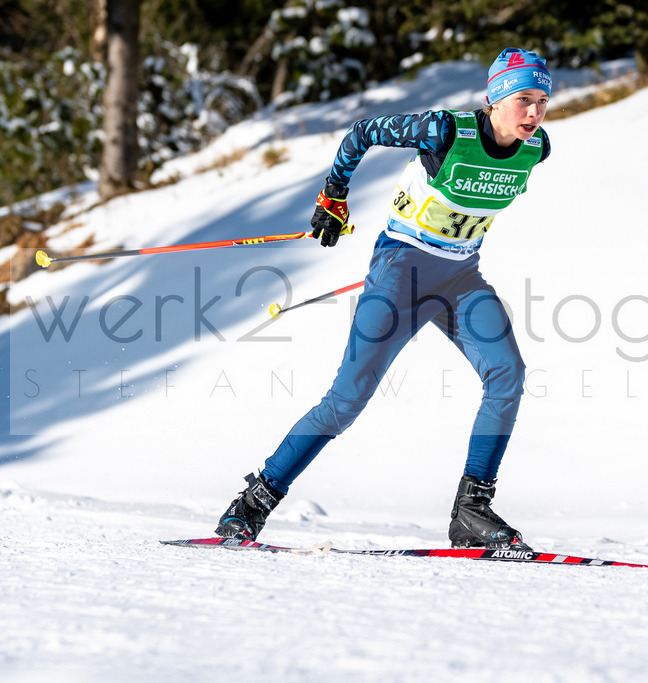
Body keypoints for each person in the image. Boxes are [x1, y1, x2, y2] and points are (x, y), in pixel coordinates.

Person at [214, 48, 552, 550]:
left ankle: (471, 511)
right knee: (346, 401)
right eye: (524, 99)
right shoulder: (444, 131)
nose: (534, 113)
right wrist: (333, 195)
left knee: (508, 374)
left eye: (543, 101)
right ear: (495, 98)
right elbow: (363, 133)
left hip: (461, 277)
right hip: (401, 272)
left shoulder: (538, 147)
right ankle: (253, 503)